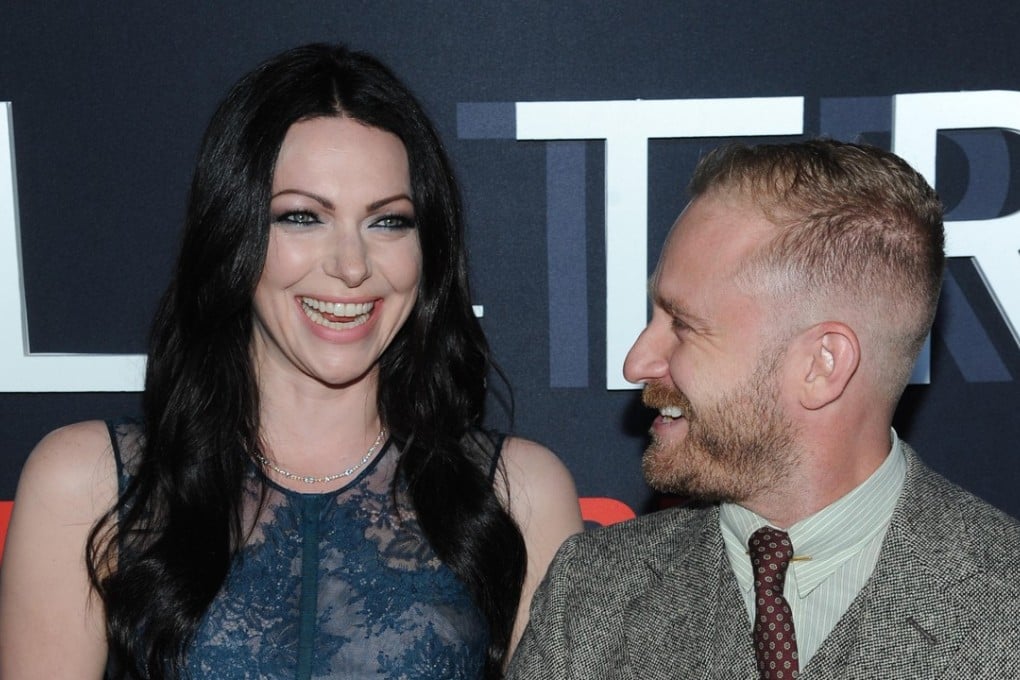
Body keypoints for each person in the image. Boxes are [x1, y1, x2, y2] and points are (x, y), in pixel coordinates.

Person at [0, 44, 582, 679]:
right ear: (233, 233)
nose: (352, 266)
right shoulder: (88, 486)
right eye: (302, 217)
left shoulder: (519, 496)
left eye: (388, 222)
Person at [507, 139, 1020, 678]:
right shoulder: (590, 596)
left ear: (822, 365)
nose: (637, 363)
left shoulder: (1003, 603)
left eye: (683, 325)